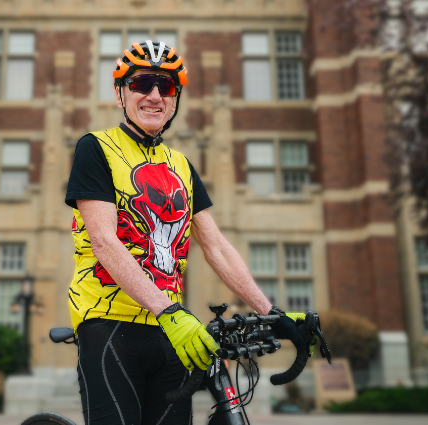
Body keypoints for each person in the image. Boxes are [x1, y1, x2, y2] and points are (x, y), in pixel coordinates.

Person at [65, 40, 307, 425]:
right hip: (110, 323)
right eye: (143, 83)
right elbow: (104, 242)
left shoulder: (181, 164)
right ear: (120, 93)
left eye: (167, 87)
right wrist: (170, 311)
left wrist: (271, 312)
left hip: (172, 331)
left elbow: (216, 247)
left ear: (176, 99)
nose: (155, 95)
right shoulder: (96, 148)